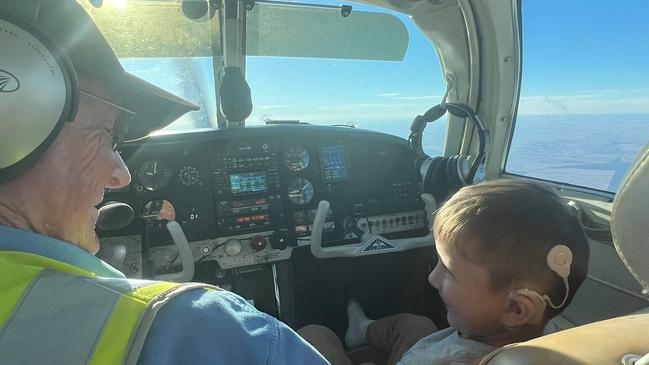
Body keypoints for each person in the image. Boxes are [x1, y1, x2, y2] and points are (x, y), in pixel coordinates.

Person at [0, 1, 328, 364]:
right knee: (319, 334)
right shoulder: (192, 324)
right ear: (14, 115)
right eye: (108, 136)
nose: (121, 175)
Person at [299, 179, 590, 365]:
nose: (432, 278)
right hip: (436, 347)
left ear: (514, 309)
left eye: (448, 271)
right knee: (416, 324)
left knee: (314, 335)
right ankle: (360, 330)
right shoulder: (554, 334)